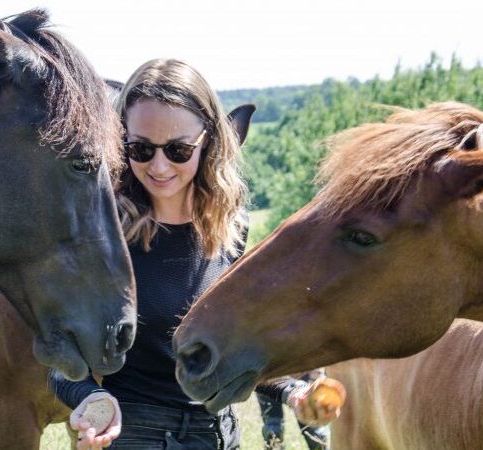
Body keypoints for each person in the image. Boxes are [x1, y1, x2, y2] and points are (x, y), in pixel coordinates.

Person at [50, 58, 340, 450]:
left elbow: (240, 345)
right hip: (134, 434)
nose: (159, 165)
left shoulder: (229, 228)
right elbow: (60, 358)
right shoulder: (101, 234)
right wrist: (91, 397)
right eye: (140, 148)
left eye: (178, 150)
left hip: (219, 434)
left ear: (210, 142)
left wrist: (294, 394)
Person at [258, 370, 330, 450]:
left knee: (315, 432)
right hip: (269, 373)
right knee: (273, 430)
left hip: (299, 370)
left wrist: (314, 377)